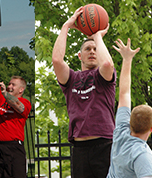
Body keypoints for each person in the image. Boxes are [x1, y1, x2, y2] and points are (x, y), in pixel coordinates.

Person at [52, 7, 115, 177]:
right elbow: (57, 60)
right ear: (80, 55)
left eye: (95, 49)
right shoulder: (71, 78)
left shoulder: (103, 77)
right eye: (88, 49)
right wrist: (66, 26)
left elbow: (107, 64)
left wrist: (96, 36)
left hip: (105, 145)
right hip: (79, 149)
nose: (92, 51)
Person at [106, 38, 152, 178]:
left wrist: (127, 60)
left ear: (130, 122)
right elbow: (124, 93)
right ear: (151, 128)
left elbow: (124, 93)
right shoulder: (142, 154)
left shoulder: (121, 132)